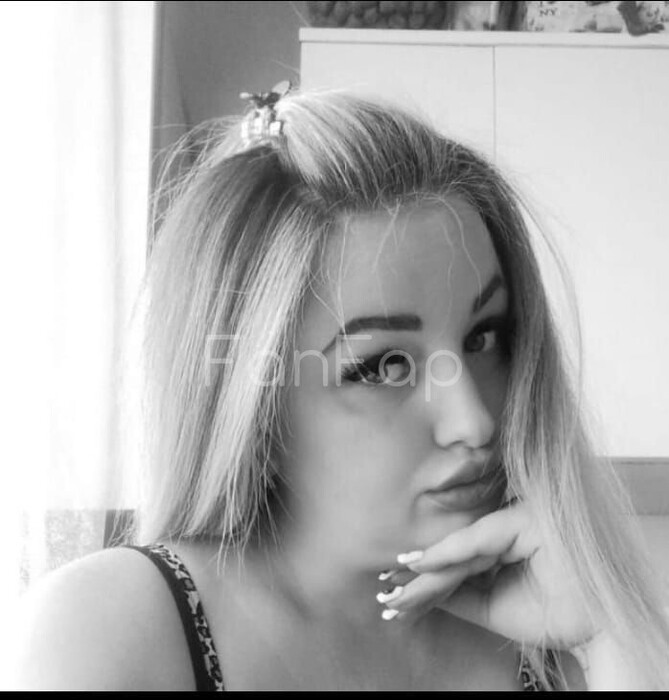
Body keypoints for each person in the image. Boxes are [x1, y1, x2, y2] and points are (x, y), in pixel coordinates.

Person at [11, 86, 669, 691]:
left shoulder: (558, 637)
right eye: (382, 366)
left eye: (484, 337)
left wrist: (611, 637)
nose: (474, 421)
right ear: (251, 408)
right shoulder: (114, 630)